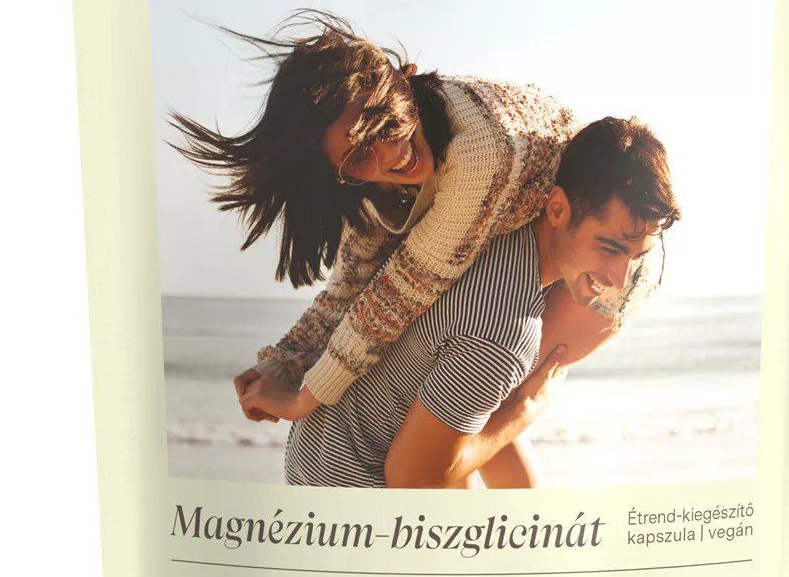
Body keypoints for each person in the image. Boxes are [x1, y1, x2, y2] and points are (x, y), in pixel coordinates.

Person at [168, 12, 662, 484]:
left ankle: (529, 528)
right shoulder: (374, 189)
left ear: (399, 87)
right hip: (544, 223)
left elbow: (396, 296)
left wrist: (302, 400)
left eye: (385, 125)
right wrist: (282, 363)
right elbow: (346, 292)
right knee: (458, 404)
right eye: (358, 156)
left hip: (603, 236)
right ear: (335, 169)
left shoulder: (479, 154)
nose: (392, 154)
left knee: (495, 391)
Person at [284, 115, 681, 487]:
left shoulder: (486, 224)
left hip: (312, 451)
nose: (619, 280)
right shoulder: (505, 334)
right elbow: (412, 480)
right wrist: (521, 412)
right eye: (609, 248)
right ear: (558, 208)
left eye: (636, 257)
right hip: (347, 502)